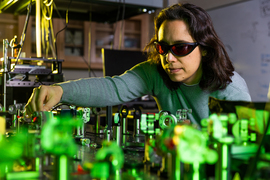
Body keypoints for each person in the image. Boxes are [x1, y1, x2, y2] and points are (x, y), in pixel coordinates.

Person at [25, 3, 251, 126]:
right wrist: (60, 90)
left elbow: (244, 154)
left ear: (203, 47)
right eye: (163, 48)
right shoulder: (156, 73)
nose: (169, 59)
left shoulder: (230, 90)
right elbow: (113, 88)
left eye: (180, 48)